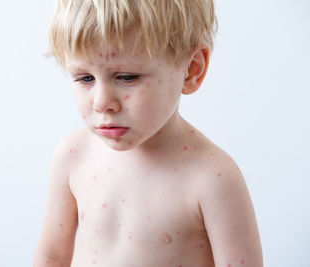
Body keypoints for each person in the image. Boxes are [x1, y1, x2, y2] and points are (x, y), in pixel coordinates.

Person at [33, 0, 263, 266]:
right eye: (85, 78)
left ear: (191, 70)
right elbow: (52, 257)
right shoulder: (73, 155)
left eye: (127, 77)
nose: (101, 102)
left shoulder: (211, 179)